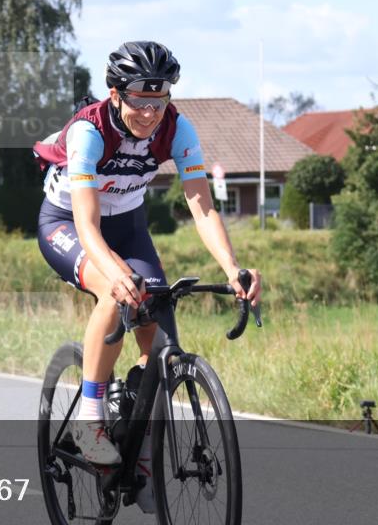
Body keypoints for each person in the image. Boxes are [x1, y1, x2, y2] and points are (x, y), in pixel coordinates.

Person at [33, 40, 261, 464]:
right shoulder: (89, 131)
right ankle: (89, 419)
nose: (150, 114)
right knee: (114, 291)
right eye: (140, 101)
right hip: (68, 223)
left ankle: (136, 431)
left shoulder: (178, 129)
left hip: (129, 226)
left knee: (157, 328)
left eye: (159, 101)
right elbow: (87, 223)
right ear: (116, 95)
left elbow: (202, 205)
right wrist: (115, 275)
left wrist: (232, 267)